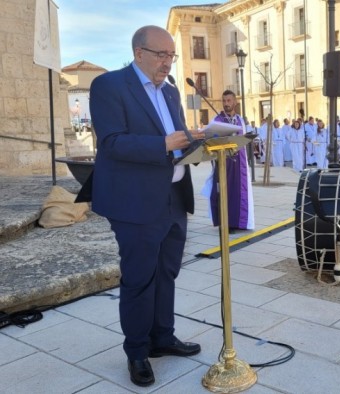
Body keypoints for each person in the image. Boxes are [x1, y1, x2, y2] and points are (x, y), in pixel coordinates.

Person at [88, 25, 203, 387]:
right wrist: (164, 145)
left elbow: (177, 140)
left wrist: (199, 142)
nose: (167, 63)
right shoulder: (109, 86)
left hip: (173, 198)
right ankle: (137, 351)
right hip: (135, 202)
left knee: (167, 272)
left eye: (171, 56)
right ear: (139, 53)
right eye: (161, 55)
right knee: (139, 278)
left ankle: (162, 338)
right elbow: (112, 143)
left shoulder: (170, 93)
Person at [208, 90, 255, 230]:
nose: (226, 104)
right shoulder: (217, 120)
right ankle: (226, 223)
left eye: (229, 101)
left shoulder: (240, 120)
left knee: (238, 192)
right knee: (225, 191)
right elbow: (211, 141)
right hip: (224, 162)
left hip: (239, 162)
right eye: (224, 101)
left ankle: (240, 222)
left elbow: (244, 139)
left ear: (235, 102)